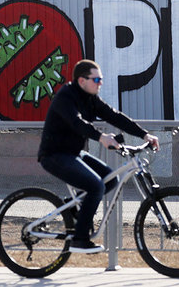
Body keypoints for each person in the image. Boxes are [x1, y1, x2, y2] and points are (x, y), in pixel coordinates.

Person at [38, 59, 159, 254]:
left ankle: (72, 209)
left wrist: (144, 134)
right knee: (96, 186)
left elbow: (114, 116)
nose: (100, 83)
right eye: (96, 79)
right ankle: (80, 239)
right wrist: (101, 137)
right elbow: (76, 123)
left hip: (74, 153)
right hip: (54, 155)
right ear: (82, 80)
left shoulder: (90, 98)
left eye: (100, 79)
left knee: (110, 180)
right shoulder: (65, 97)